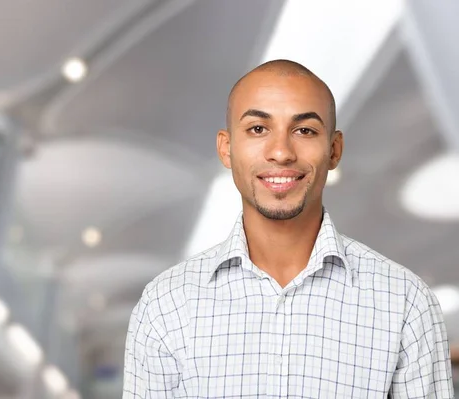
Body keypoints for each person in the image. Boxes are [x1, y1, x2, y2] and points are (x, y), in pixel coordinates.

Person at [122, 59, 454, 398]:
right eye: (257, 129)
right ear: (226, 148)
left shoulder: (404, 302)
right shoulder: (166, 303)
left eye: (304, 130)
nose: (281, 152)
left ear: (334, 150)